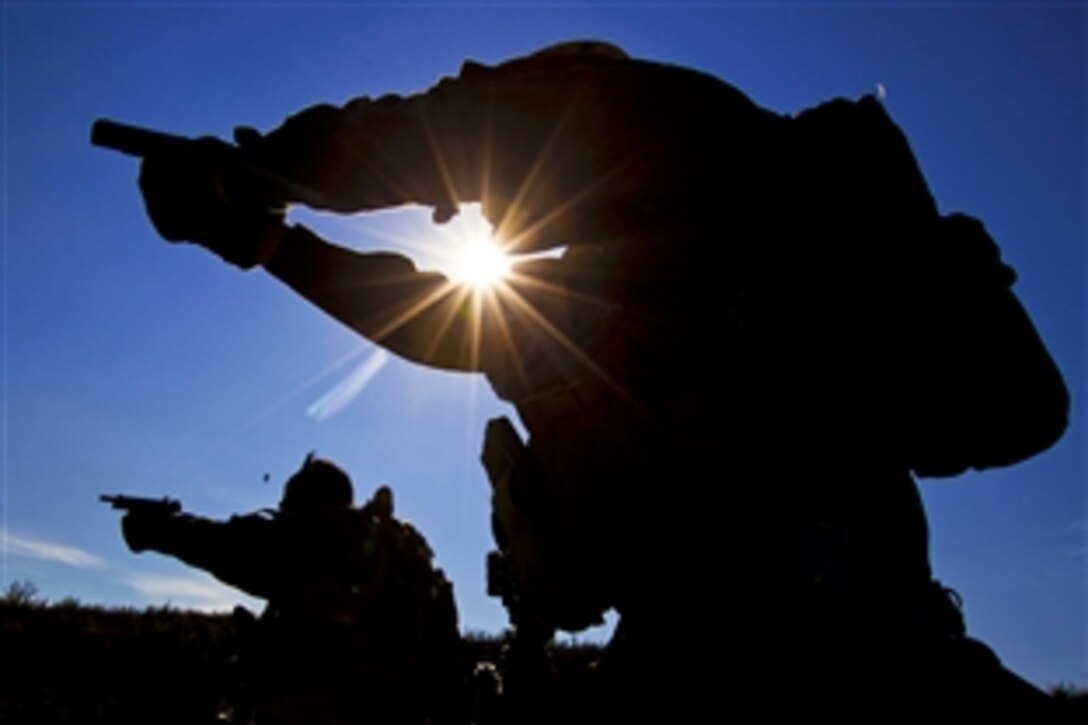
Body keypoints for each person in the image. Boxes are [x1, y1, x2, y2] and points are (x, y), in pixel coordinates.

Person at [131, 41, 1068, 716]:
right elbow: (425, 319)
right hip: (718, 662)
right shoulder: (583, 310)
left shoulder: (696, 146)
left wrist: (263, 171)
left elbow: (457, 131)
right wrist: (264, 240)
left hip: (865, 658)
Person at [119, 454, 466, 725]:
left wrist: (161, 531)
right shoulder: (391, 551)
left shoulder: (330, 539)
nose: (284, 517)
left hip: (339, 710)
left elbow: (234, 548)